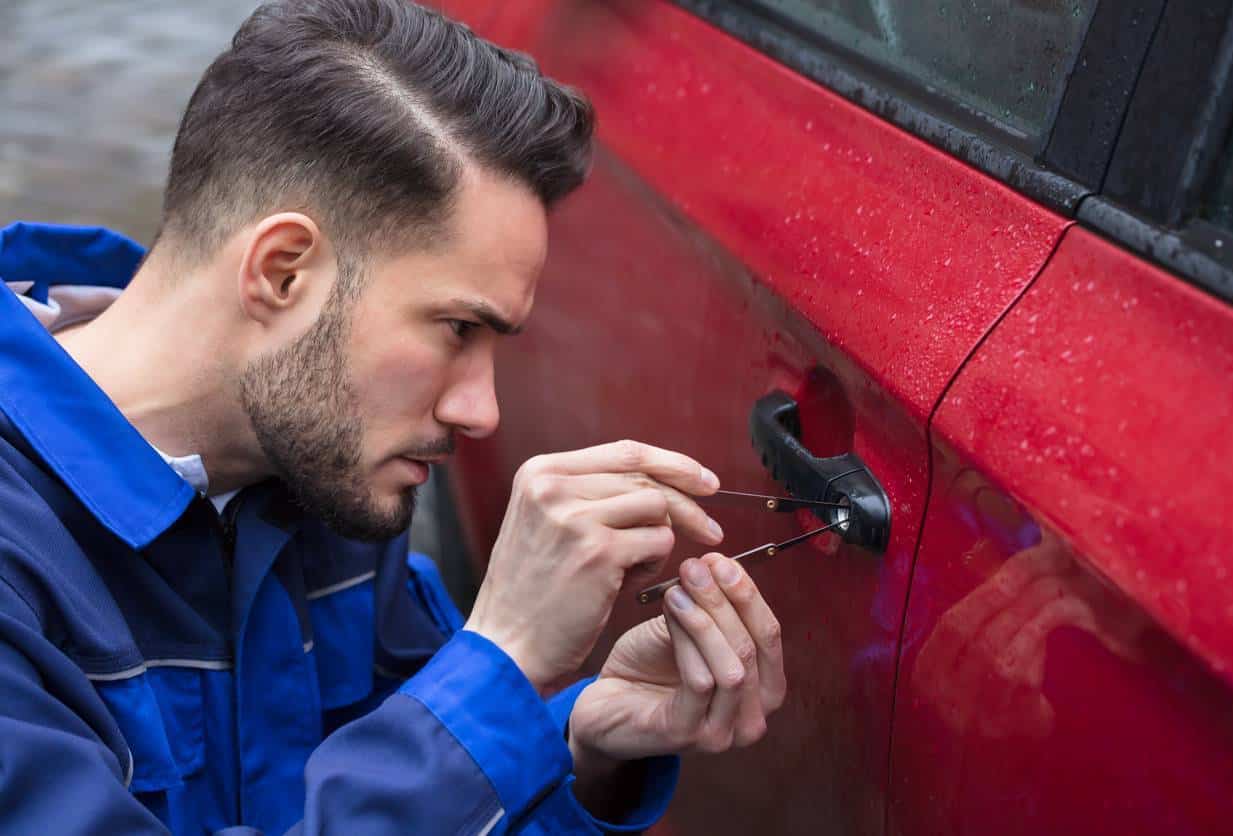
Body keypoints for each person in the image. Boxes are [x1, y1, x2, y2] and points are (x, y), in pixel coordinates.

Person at [0, 1, 786, 834]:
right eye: (457, 329)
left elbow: (429, 781)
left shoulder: (318, 470)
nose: (480, 413)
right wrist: (504, 659)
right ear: (283, 271)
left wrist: (578, 754)